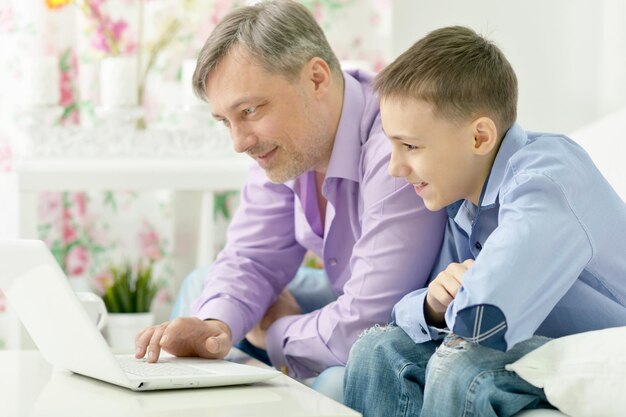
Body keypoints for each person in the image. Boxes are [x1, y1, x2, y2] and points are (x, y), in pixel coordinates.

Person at [134, 0, 446, 399]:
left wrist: (276, 332)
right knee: (206, 293)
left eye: (249, 110)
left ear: (316, 79)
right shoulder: (289, 146)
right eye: (226, 121)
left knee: (337, 380)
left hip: (406, 326)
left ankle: (261, 375)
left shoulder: (395, 147)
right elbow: (251, 257)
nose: (239, 141)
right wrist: (215, 328)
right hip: (351, 298)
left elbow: (369, 322)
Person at [344, 25, 626, 416]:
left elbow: (484, 316)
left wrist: (456, 304)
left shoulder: (547, 178)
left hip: (605, 346)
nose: (395, 167)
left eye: (409, 146)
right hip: (533, 342)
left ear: (479, 138)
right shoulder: (461, 203)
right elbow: (418, 313)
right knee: (377, 350)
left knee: (461, 366)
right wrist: (432, 304)